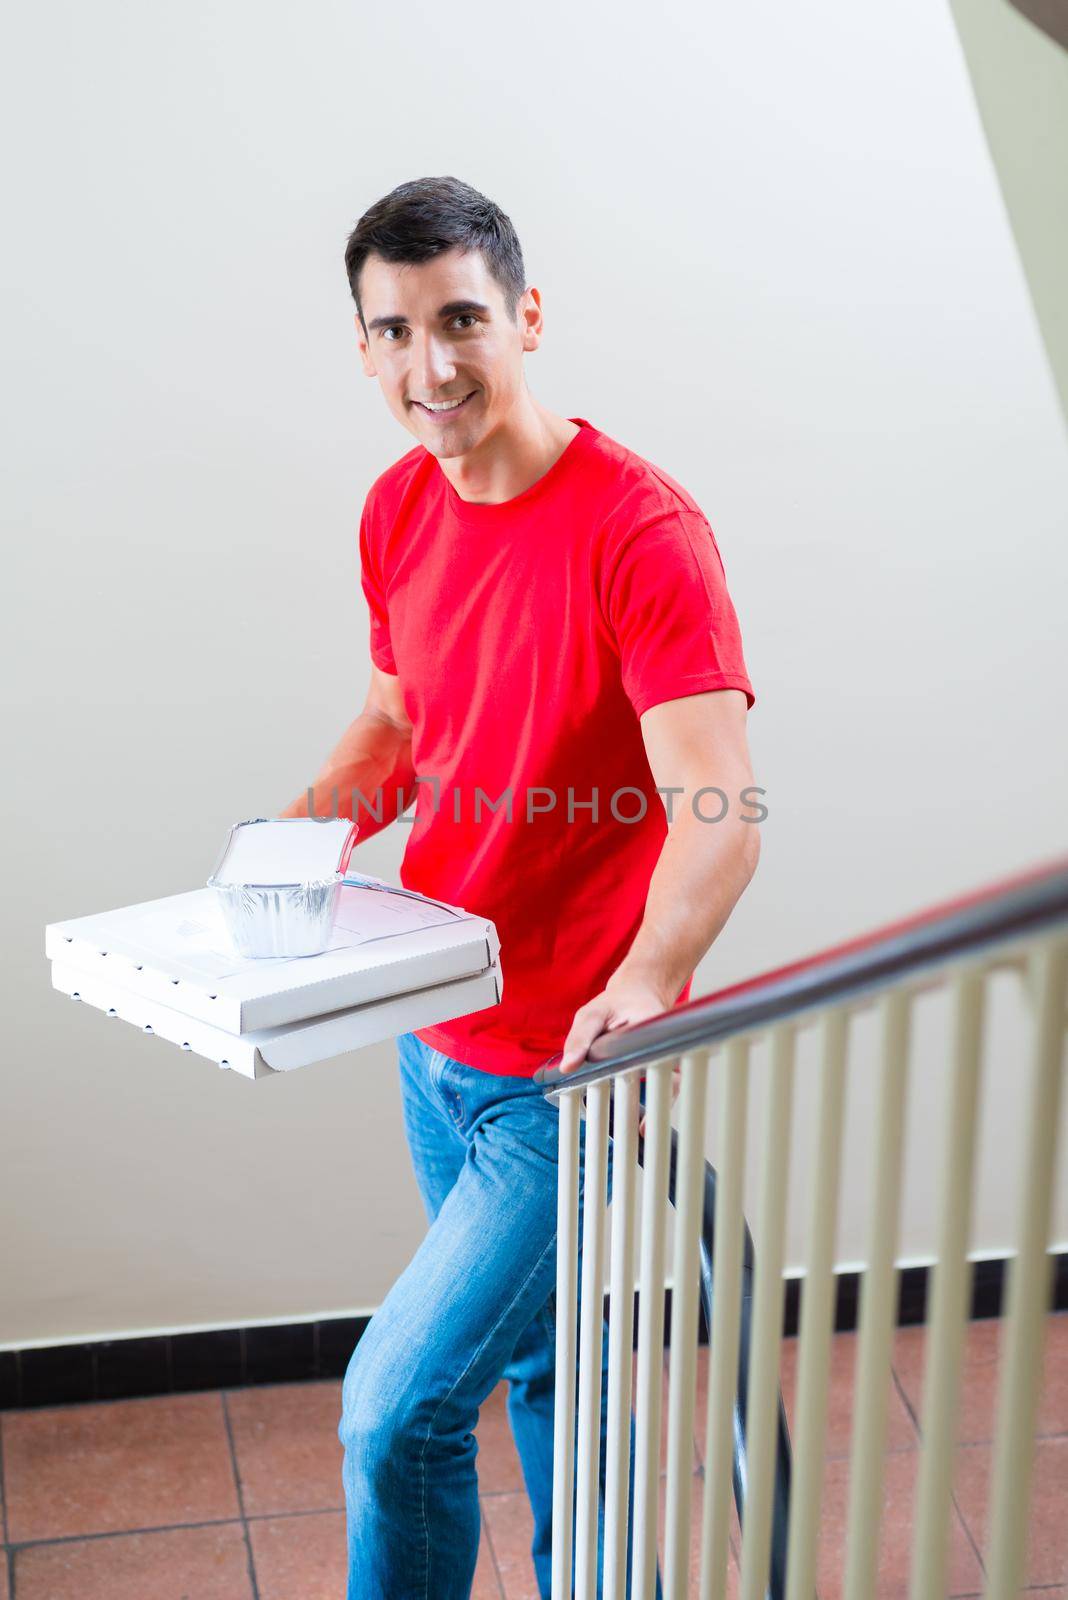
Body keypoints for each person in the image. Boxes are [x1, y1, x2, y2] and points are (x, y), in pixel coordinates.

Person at [280, 175, 760, 1600]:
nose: (435, 365)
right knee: (545, 1365)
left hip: (571, 1070)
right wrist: (297, 844)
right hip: (441, 1038)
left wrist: (647, 978)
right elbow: (400, 722)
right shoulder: (395, 511)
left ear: (526, 316)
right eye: (398, 331)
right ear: (365, 349)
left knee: (397, 1407)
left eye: (464, 320)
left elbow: (719, 810)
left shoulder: (638, 531)